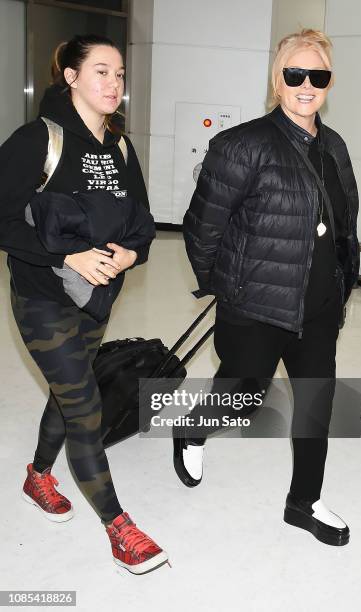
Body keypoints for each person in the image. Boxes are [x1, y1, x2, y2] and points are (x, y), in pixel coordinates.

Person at [174, 29, 359, 547]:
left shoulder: (335, 146)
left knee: (314, 404)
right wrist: (226, 288)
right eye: (294, 74)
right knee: (242, 398)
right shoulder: (241, 145)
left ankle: (304, 501)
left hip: (318, 308)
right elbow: (202, 228)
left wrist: (340, 285)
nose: (306, 85)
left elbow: (344, 224)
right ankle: (191, 428)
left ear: (328, 82)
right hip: (255, 306)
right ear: (277, 81)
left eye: (316, 76)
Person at [0, 34, 168, 574]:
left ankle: (37, 475)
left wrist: (127, 257)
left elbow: (142, 224)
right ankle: (120, 528)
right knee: (85, 406)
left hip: (97, 299)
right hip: (43, 296)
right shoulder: (36, 141)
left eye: (119, 74)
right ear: (70, 77)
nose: (113, 84)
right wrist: (68, 256)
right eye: (101, 72)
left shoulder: (121, 148)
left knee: (72, 393)